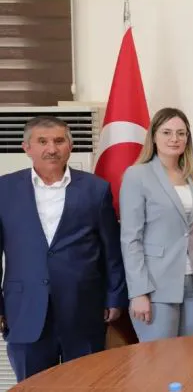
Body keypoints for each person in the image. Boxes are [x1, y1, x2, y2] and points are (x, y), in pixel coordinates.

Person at [0, 116, 127, 381]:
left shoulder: (96, 189)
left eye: (59, 141)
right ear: (27, 148)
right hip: (24, 311)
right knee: (33, 386)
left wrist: (114, 297)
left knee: (86, 383)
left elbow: (111, 250)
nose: (52, 149)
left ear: (70, 146)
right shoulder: (4, 189)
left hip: (84, 309)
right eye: (42, 141)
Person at [119, 108, 193, 342]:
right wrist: (138, 292)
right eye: (167, 132)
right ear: (153, 136)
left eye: (181, 133)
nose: (174, 139)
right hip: (156, 285)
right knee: (160, 358)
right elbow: (131, 239)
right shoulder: (137, 175)